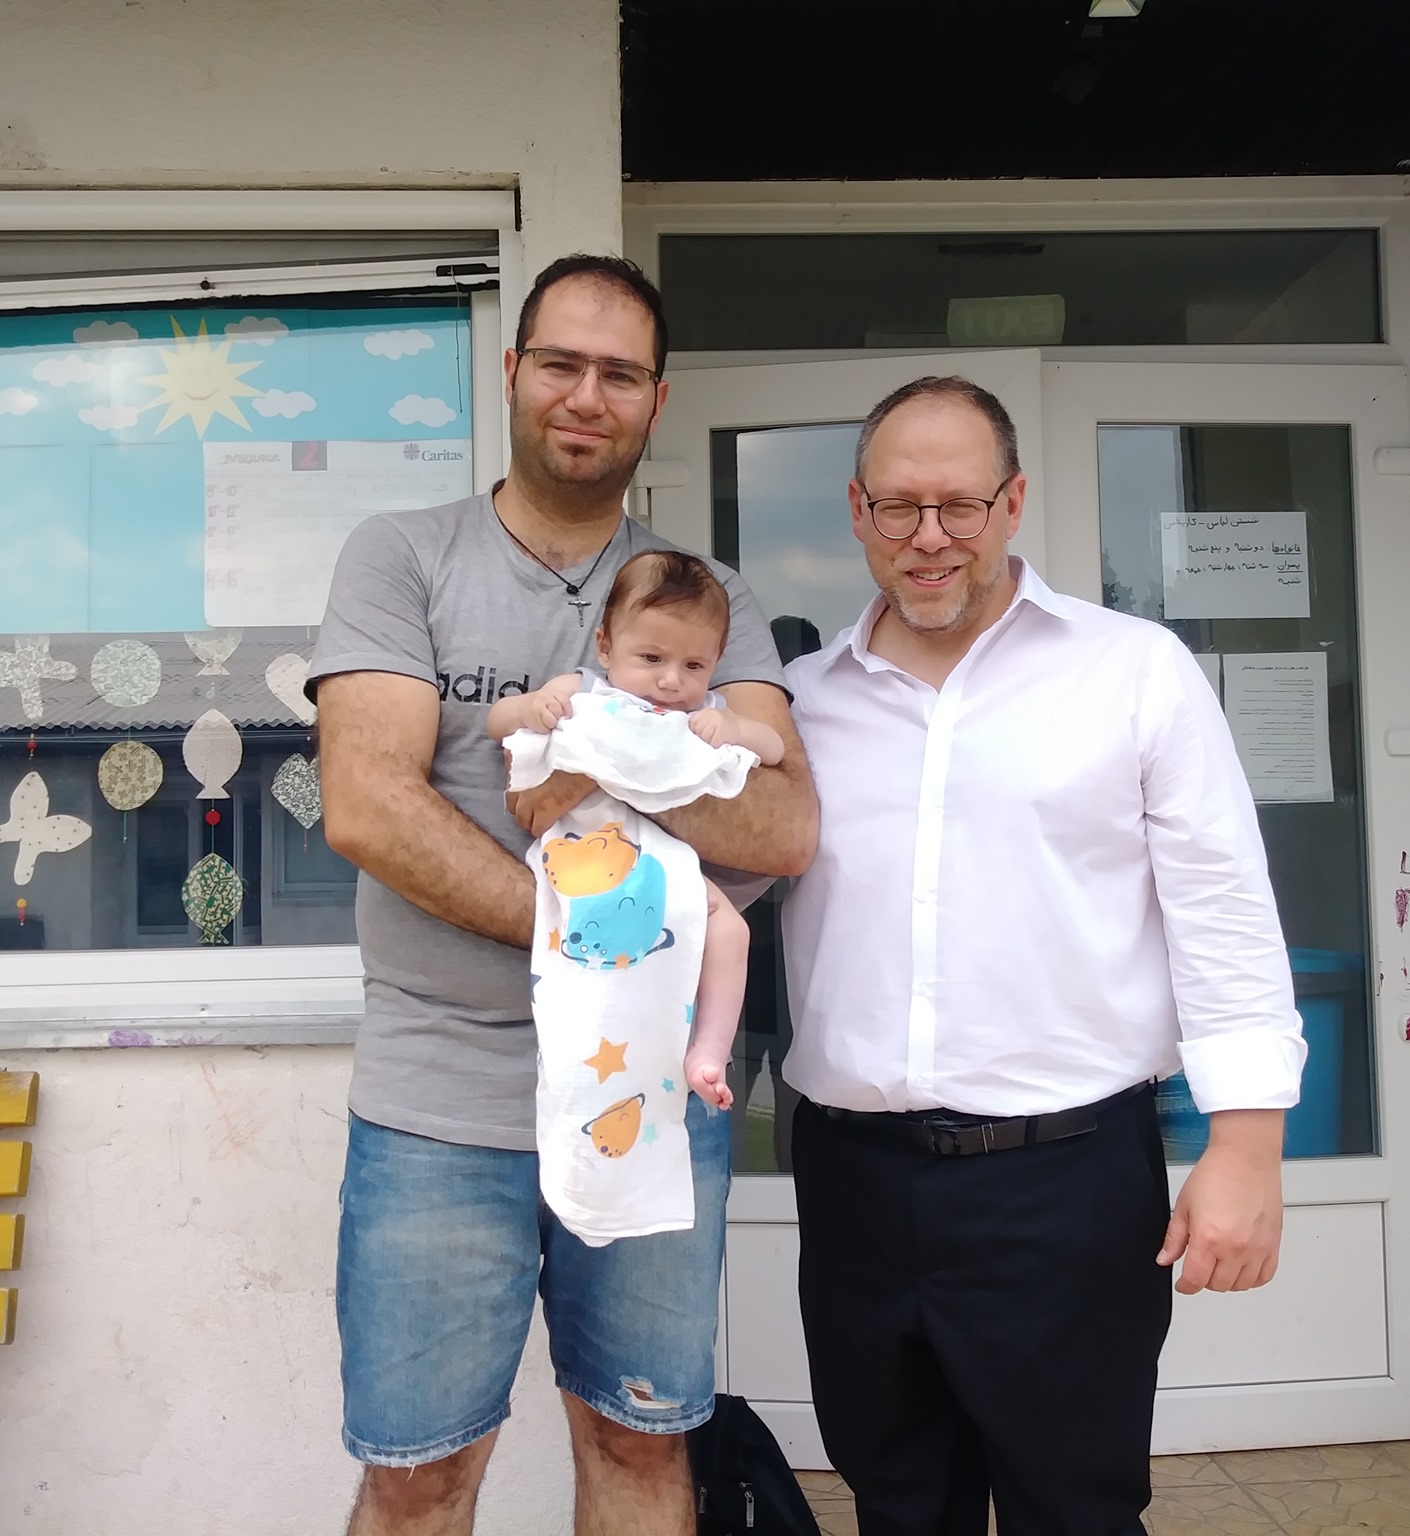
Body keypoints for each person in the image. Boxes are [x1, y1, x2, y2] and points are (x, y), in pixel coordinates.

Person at [310, 254, 818, 1536]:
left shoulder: (705, 597)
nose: (585, 395)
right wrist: (588, 930)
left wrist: (606, 756)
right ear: (511, 374)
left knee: (642, 1447)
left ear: (657, 398)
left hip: (646, 1101)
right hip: (440, 1097)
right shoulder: (403, 557)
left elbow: (784, 822)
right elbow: (369, 803)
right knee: (419, 1476)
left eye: (619, 372)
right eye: (560, 364)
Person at [780, 377, 1305, 1536]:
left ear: (1012, 502)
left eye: (959, 504)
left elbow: (1222, 913)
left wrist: (1246, 1146)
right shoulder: (796, 707)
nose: (929, 537)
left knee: (1074, 1510)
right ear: (855, 513)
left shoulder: (1131, 670)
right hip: (853, 1187)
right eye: (898, 506)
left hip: (1062, 1187)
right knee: (897, 1503)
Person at [489, 548, 787, 1112]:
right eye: (651, 657)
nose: (671, 681)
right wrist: (532, 707)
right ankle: (584, 1076)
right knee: (589, 977)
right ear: (605, 646)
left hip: (660, 862)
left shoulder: (701, 714)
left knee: (732, 931)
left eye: (695, 667)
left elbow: (770, 748)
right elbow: (496, 723)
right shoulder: (585, 693)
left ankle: (709, 1051)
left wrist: (733, 726)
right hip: (582, 859)